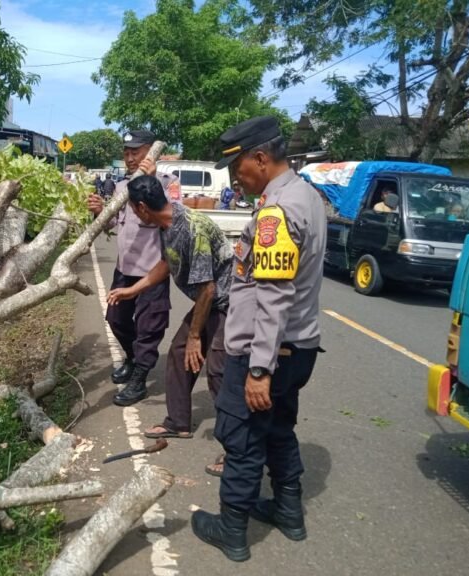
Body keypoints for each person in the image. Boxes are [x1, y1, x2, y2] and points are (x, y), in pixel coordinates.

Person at [191, 116, 326, 562]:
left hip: (265, 351)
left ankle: (231, 530)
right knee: (279, 428)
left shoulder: (277, 212)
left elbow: (272, 296)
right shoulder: (305, 195)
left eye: (238, 169)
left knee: (242, 438)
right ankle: (288, 511)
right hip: (298, 346)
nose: (235, 180)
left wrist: (258, 370)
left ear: (262, 158)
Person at [106, 175, 233, 439]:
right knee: (179, 353)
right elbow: (166, 264)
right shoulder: (165, 225)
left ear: (142, 207)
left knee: (218, 370)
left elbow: (208, 288)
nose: (131, 213)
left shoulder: (191, 228)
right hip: (209, 301)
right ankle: (178, 422)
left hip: (230, 304)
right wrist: (131, 290)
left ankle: (237, 448)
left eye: (131, 208)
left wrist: (196, 336)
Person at [87, 130, 179, 406]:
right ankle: (132, 357)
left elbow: (174, 218)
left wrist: (150, 181)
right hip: (124, 269)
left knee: (149, 328)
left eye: (135, 152)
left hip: (153, 270)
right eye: (126, 153)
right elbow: (115, 225)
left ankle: (139, 379)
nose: (129, 158)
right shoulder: (121, 187)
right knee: (116, 319)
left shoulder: (168, 182)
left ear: (150, 152)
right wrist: (99, 212)